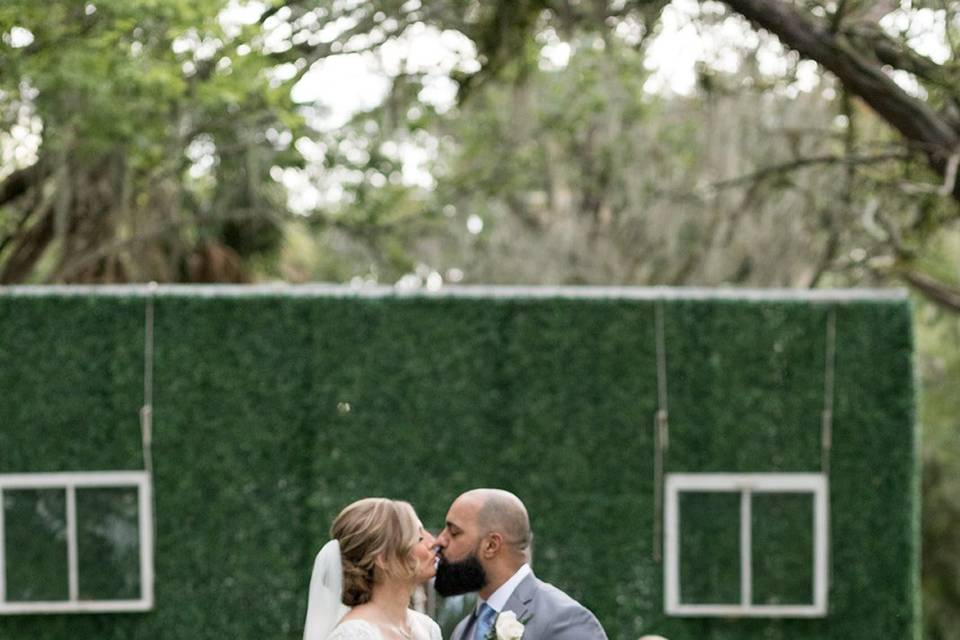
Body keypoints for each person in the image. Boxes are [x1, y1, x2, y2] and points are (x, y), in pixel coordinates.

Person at [435, 488, 608, 640]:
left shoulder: (566, 621)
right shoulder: (463, 630)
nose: (440, 541)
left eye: (454, 532)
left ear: (491, 545)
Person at [303, 498, 442, 640]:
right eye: (419, 538)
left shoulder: (427, 628)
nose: (434, 542)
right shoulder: (352, 635)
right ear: (383, 558)